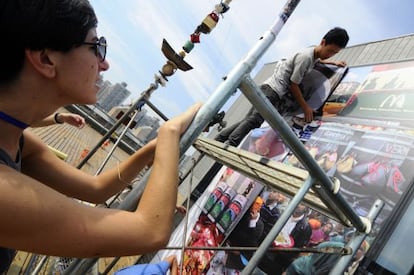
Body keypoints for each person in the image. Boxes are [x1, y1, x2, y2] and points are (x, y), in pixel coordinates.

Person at [0, 1, 201, 273]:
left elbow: (96, 189)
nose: (104, 64)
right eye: (97, 47)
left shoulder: (16, 140)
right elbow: (148, 231)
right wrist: (169, 133)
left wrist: (152, 149)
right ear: (46, 58)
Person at [216, 27, 349, 147]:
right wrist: (305, 107)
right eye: (330, 51)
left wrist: (334, 62)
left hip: (270, 88)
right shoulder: (306, 58)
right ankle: (230, 143)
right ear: (323, 42)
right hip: (273, 91)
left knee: (249, 120)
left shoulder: (313, 53)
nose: (330, 54)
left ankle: (220, 139)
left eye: (334, 53)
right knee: (255, 120)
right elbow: (294, 85)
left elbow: (319, 60)